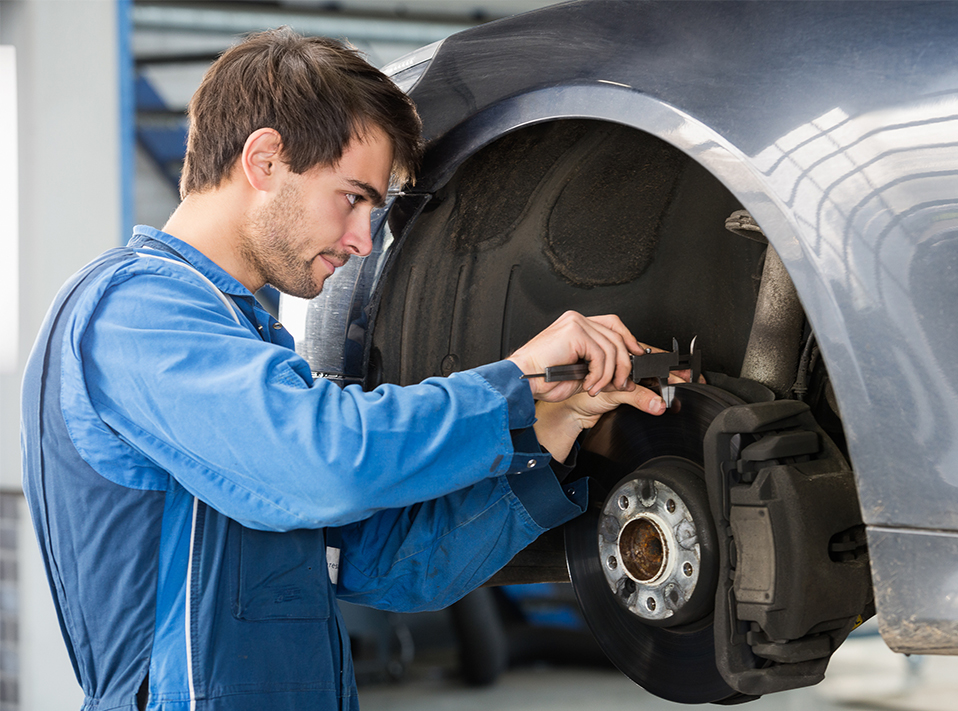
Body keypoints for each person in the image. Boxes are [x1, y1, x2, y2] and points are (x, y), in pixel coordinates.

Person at [20, 28, 676, 711]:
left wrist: (550, 430)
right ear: (265, 160)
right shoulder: (135, 312)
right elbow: (325, 461)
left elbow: (389, 566)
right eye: (353, 198)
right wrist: (515, 384)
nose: (364, 242)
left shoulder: (246, 345)